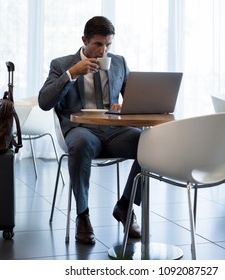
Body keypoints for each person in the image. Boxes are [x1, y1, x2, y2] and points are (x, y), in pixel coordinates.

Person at [38, 16, 141, 244]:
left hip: (114, 131)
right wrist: (72, 74)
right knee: (81, 143)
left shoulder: (120, 63)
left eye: (108, 45)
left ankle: (125, 205)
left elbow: (134, 100)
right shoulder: (61, 64)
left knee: (149, 145)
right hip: (80, 130)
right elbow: (44, 102)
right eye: (98, 44)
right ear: (85, 40)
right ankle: (82, 215)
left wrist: (123, 107)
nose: (104, 51)